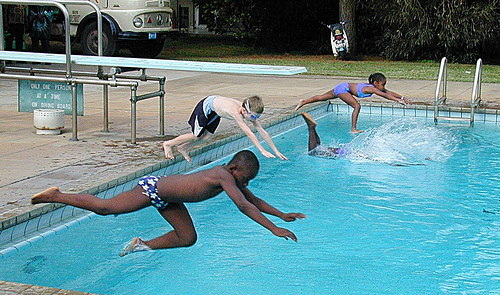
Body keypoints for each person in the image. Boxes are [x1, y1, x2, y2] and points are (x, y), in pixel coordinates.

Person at [31, 150, 306, 256]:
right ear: (234, 168)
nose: (245, 185)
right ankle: (56, 195)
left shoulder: (232, 179)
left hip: (169, 198)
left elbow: (253, 199)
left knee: (188, 238)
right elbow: (244, 206)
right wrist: (273, 229)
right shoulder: (223, 175)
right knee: (107, 208)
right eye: (244, 179)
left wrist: (282, 215)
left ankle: (142, 244)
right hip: (154, 189)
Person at [163, 95, 288, 162]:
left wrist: (275, 150)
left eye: (258, 116)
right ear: (244, 110)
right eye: (254, 116)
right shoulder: (236, 113)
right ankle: (168, 144)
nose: (255, 119)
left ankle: (182, 148)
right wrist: (261, 150)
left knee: (206, 137)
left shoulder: (247, 112)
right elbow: (249, 133)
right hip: (205, 108)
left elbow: (262, 132)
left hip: (215, 112)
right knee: (196, 135)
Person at [295, 73, 412, 133]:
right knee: (356, 106)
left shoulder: (374, 87)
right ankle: (353, 128)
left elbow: (387, 92)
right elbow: (384, 95)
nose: (384, 87)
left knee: (322, 97)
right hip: (343, 89)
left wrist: (402, 97)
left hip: (343, 86)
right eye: (383, 84)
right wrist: (398, 101)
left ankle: (303, 102)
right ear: (375, 83)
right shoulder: (372, 89)